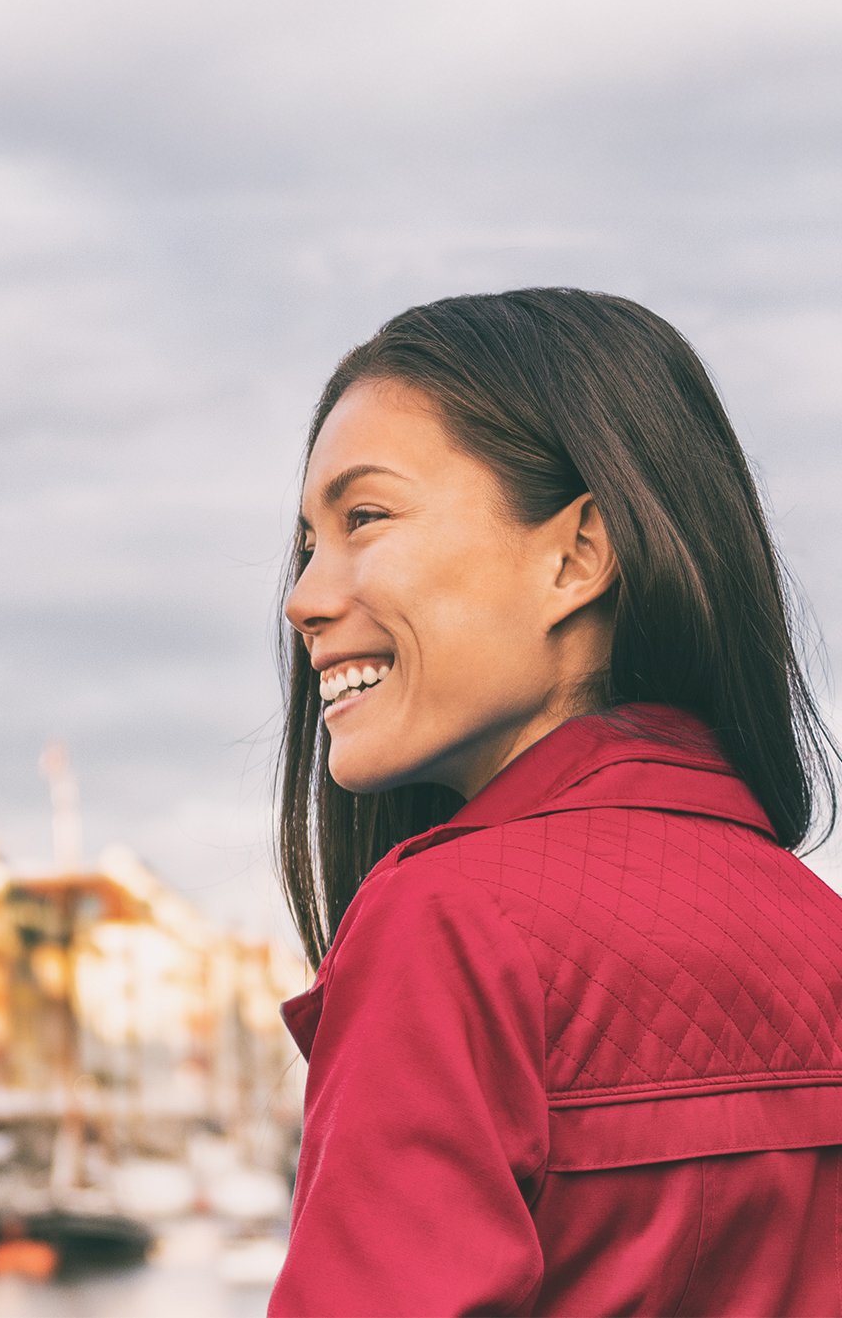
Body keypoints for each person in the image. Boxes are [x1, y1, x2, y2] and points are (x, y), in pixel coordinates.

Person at [271, 289, 842, 1314]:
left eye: (363, 517)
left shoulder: (445, 923)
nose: (304, 596)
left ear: (575, 555)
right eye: (308, 542)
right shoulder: (819, 931)